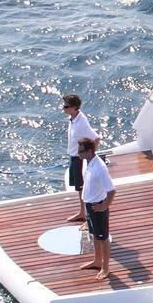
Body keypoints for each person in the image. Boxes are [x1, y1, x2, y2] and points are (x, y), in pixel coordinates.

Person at [77, 137, 115, 277]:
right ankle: (97, 260)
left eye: (81, 151)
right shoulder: (88, 163)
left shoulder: (100, 168)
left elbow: (111, 190)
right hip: (89, 204)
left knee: (103, 237)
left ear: (90, 151)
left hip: (98, 206)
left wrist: (104, 206)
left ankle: (105, 267)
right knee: (94, 234)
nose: (79, 154)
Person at [60, 94, 96, 222]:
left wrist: (90, 159)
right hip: (73, 155)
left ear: (74, 108)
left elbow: (95, 138)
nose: (63, 108)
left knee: (82, 187)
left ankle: (85, 214)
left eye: (66, 106)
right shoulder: (73, 118)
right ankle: (83, 212)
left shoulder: (81, 123)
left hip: (78, 157)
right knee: (78, 187)